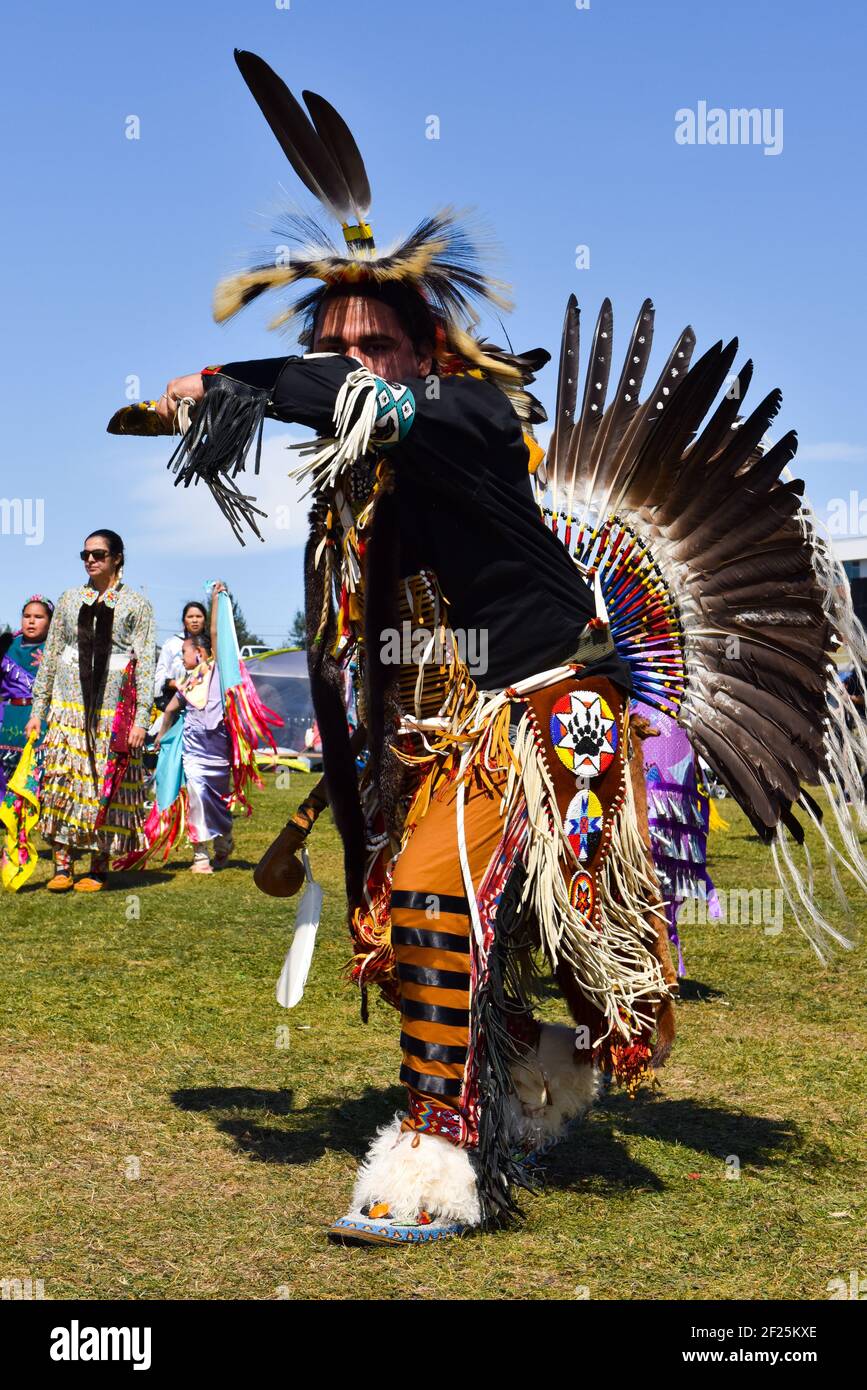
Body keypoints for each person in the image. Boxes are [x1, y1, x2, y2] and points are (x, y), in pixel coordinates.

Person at [112, 50, 867, 1245]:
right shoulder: (360, 486)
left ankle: (439, 1158)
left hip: (548, 707)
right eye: (336, 344)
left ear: (422, 351)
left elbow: (343, 399)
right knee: (424, 914)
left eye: (371, 345)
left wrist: (225, 377)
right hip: (447, 725)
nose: (351, 365)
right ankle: (478, 1107)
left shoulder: (463, 417)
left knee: (517, 936)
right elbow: (357, 638)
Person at [26, 530, 155, 892]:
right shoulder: (68, 600)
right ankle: (63, 866)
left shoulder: (136, 604)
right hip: (68, 707)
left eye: (98, 554)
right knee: (62, 782)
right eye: (84, 554)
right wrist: (39, 709)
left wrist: (142, 719)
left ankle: (97, 867)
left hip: (113, 711)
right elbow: (50, 656)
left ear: (116, 558)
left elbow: (145, 662)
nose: (90, 560)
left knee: (104, 784)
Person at [156, 583, 234, 872]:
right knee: (197, 798)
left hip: (219, 748)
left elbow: (215, 634)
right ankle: (201, 854)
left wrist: (214, 600)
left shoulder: (216, 671)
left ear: (200, 653)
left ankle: (224, 840)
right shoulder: (188, 681)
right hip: (194, 749)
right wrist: (163, 736)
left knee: (217, 799)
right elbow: (170, 709)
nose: (182, 658)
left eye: (186, 653)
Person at [0, 596, 53, 798]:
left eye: (38, 617)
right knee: (6, 767)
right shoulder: (7, 646)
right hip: (9, 715)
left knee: (38, 765)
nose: (31, 621)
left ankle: (34, 810)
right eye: (27, 616)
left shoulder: (55, 650)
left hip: (41, 716)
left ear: (50, 621)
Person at [153, 602, 208, 709]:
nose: (195, 620)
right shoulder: (171, 644)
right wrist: (177, 684)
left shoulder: (211, 645)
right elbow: (159, 676)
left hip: (204, 706)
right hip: (174, 704)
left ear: (205, 620)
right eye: (190, 617)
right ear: (184, 621)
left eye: (199, 616)